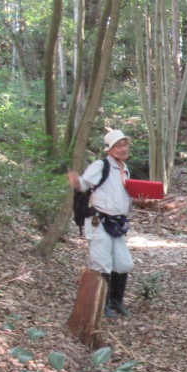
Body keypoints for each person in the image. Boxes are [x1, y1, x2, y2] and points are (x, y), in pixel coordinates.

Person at [68, 130, 135, 317]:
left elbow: (123, 196)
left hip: (117, 223)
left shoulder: (124, 168)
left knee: (123, 263)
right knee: (102, 263)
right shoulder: (101, 165)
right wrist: (75, 181)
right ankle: (100, 304)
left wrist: (143, 200)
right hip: (98, 221)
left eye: (125, 145)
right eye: (119, 146)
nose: (123, 149)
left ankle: (116, 301)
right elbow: (83, 184)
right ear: (110, 150)